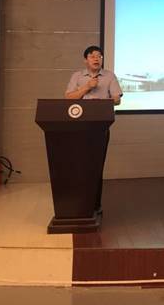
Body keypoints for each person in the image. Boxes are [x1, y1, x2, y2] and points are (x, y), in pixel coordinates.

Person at [65, 45, 123, 216]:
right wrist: (86, 88)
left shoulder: (109, 76)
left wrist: (102, 102)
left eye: (99, 56)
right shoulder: (77, 76)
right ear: (86, 60)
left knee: (97, 165)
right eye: (92, 56)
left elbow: (117, 99)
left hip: (100, 127)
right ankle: (78, 202)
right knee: (79, 164)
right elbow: (68, 97)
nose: (96, 59)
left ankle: (95, 204)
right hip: (79, 126)